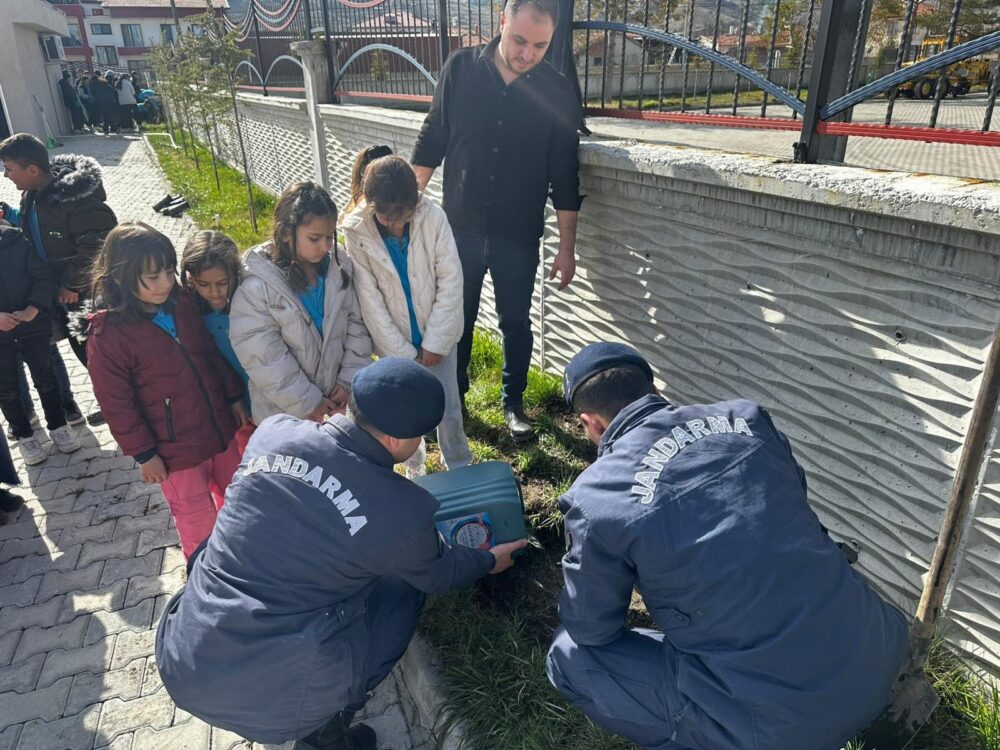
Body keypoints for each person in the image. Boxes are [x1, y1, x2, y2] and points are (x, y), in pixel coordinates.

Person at [545, 342, 909, 750]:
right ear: (653, 388)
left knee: (568, 654)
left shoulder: (596, 496)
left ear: (591, 423)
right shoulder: (748, 417)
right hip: (878, 654)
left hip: (780, 729)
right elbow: (794, 515)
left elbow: (591, 627)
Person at [155, 356, 529, 749]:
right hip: (265, 699)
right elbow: (439, 573)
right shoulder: (400, 509)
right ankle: (325, 731)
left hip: (185, 653)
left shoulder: (274, 433)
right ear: (396, 441)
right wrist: (489, 560)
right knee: (404, 589)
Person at [411, 0, 582, 444]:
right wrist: (405, 213)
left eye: (540, 46)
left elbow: (564, 173)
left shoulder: (558, 91)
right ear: (501, 22)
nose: (527, 54)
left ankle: (513, 403)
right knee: (455, 320)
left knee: (516, 322)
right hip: (459, 229)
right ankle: (454, 400)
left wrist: (567, 248)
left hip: (519, 237)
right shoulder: (461, 69)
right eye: (519, 40)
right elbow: (434, 136)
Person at [87, 223, 249, 558]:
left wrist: (232, 396)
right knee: (197, 522)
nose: (165, 283)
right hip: (173, 455)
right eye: (152, 276)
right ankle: (204, 580)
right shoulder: (109, 336)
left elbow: (209, 354)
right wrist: (145, 455)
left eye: (168, 271)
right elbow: (117, 405)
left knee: (241, 501)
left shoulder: (181, 304)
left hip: (218, 430)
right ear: (121, 275)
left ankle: (246, 561)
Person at [342, 148, 471, 478]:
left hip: (437, 341)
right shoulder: (356, 232)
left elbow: (451, 280)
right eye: (389, 219)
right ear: (371, 205)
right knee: (402, 413)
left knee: (449, 407)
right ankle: (414, 469)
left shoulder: (433, 217)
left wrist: (436, 343)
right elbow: (369, 299)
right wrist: (401, 355)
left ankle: (457, 463)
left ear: (416, 200)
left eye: (406, 217)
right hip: (394, 342)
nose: (398, 226)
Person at [230, 181, 372, 426]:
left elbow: (357, 326)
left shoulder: (340, 268)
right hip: (285, 417)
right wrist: (309, 402)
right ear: (286, 233)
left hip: (338, 406)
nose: (326, 246)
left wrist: (348, 380)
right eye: (315, 238)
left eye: (330, 237)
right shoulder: (257, 287)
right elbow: (264, 357)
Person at [0, 132, 117, 424]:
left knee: (106, 355)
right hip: (60, 295)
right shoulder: (31, 196)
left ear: (32, 169)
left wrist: (71, 283)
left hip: (86, 293)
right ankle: (114, 405)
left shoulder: (74, 197)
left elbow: (96, 243)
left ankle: (125, 406)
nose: (5, 175)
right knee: (87, 355)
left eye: (9, 168)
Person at [0, 224, 81, 465]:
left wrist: (33, 308)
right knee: (7, 389)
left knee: (46, 379)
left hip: (33, 327)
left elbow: (43, 277)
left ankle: (59, 426)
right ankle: (25, 436)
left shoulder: (16, 240)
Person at [180, 230, 251, 416]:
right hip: (225, 403)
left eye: (222, 283)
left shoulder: (252, 304)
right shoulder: (187, 313)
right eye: (203, 284)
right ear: (190, 277)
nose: (214, 292)